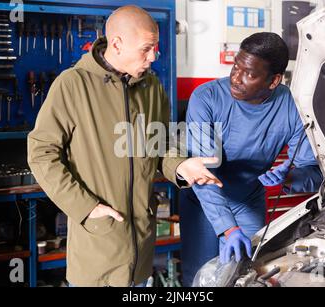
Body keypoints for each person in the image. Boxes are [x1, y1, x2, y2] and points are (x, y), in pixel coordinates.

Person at [27, 5, 222, 287]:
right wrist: (86, 207)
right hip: (98, 248)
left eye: (155, 47)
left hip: (141, 249)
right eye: (146, 48)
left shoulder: (152, 87)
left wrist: (180, 165)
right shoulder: (72, 85)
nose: (154, 56)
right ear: (117, 44)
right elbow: (41, 153)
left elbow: (161, 144)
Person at [179, 32, 323, 286]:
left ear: (273, 81)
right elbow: (200, 170)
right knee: (199, 278)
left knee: (244, 276)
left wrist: (291, 176)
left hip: (247, 201)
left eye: (249, 73)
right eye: (236, 66)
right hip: (203, 200)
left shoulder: (293, 107)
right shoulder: (207, 97)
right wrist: (228, 228)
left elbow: (311, 172)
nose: (236, 78)